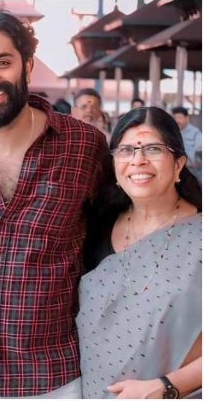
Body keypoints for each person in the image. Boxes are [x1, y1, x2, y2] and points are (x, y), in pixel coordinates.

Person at [0, 7, 107, 397]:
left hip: (55, 374)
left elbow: (114, 241)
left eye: (2, 62)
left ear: (28, 64)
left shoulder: (84, 145)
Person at [78, 107, 202, 398]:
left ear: (178, 163)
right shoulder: (95, 226)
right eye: (126, 150)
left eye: (153, 149)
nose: (138, 160)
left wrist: (166, 386)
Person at [171, 106, 202, 182]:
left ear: (187, 118)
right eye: (175, 118)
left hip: (191, 169)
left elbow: (200, 151)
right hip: (172, 169)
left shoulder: (195, 132)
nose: (177, 120)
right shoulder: (170, 132)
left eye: (180, 118)